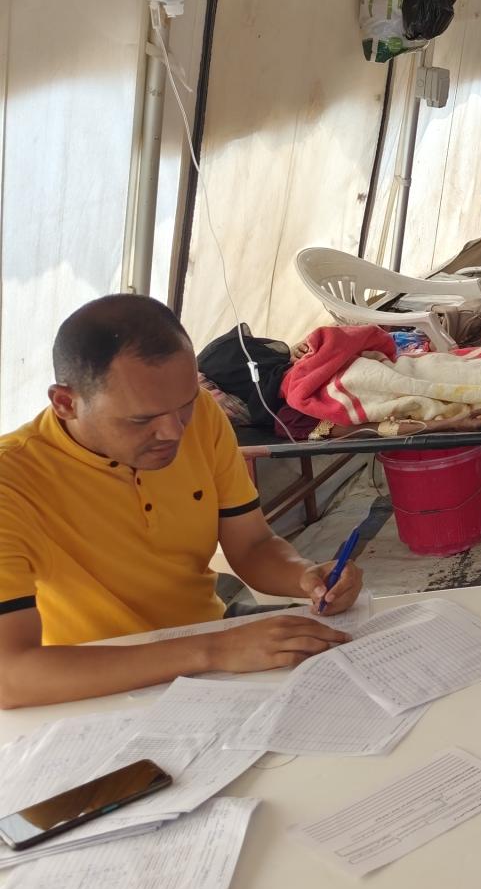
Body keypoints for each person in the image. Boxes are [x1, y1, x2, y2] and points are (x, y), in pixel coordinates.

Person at [0, 296, 365, 709]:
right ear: (66, 403)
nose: (174, 432)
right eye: (141, 420)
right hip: (97, 684)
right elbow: (11, 677)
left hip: (209, 644)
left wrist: (305, 576)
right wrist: (214, 650)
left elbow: (252, 546)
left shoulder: (202, 416)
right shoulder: (12, 481)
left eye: (185, 405)